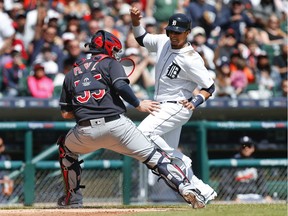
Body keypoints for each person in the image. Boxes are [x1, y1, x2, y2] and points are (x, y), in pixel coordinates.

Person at [57, 30, 207, 209]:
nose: (115, 54)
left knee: (65, 150)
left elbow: (65, 114)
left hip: (85, 130)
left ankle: (72, 199)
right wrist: (138, 104)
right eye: (114, 50)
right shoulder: (111, 63)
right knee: (156, 158)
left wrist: (88, 109)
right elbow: (120, 86)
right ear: (109, 48)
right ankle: (187, 188)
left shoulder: (71, 73)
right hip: (117, 126)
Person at [130, 8, 217, 205]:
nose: (174, 35)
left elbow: (209, 86)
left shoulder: (191, 58)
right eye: (171, 31)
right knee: (167, 155)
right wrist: (135, 22)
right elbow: (142, 38)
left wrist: (195, 101)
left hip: (176, 106)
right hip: (161, 105)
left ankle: (183, 160)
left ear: (188, 32)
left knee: (141, 134)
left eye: (178, 32)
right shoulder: (163, 41)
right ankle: (202, 191)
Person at [219, 136, 273, 202]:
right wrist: (233, 196)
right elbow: (225, 183)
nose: (246, 148)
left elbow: (261, 182)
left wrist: (266, 194)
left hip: (254, 195)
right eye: (243, 146)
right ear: (239, 148)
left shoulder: (256, 163)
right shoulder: (232, 163)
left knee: (268, 201)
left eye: (249, 146)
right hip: (238, 196)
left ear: (253, 148)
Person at [0, 137, 14, 203]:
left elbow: (8, 177)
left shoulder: (5, 158)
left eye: (0, 146)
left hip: (3, 190)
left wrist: (9, 186)